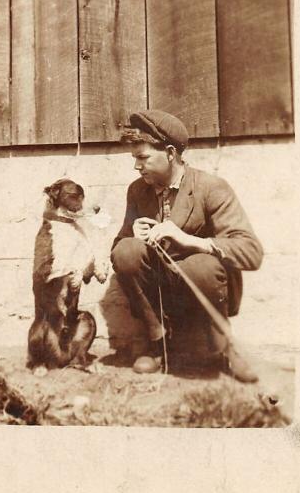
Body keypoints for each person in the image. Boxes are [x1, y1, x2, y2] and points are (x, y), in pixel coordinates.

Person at [111, 109, 264, 382]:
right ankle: (158, 343)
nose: (137, 166)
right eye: (135, 158)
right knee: (126, 252)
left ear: (170, 153)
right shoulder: (137, 190)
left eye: (143, 157)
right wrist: (131, 235)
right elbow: (118, 250)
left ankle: (223, 348)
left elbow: (251, 252)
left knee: (200, 265)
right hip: (162, 291)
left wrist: (192, 241)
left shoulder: (211, 187)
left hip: (202, 284)